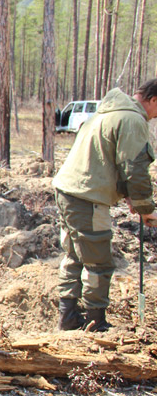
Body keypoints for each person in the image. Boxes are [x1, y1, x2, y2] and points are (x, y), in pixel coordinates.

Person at [53, 80, 157, 332]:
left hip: (70, 191)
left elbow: (112, 159)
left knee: (75, 255)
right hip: (88, 198)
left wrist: (129, 197)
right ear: (154, 100)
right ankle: (94, 323)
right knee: (98, 262)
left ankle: (68, 319)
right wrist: (145, 207)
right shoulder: (132, 120)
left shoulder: (108, 112)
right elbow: (135, 168)